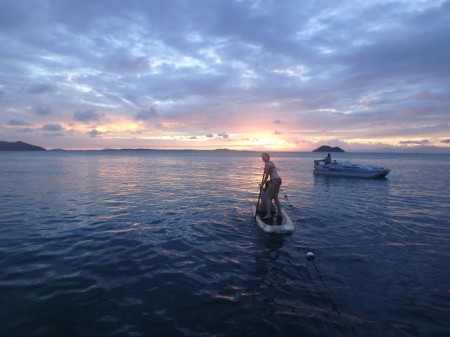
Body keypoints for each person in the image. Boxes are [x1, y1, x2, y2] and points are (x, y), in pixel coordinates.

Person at [261, 152, 283, 219]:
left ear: (268, 157)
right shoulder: (271, 162)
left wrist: (262, 184)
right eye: (262, 157)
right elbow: (271, 170)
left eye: (264, 156)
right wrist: (266, 170)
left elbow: (267, 176)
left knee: (267, 197)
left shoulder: (267, 164)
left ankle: (268, 214)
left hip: (274, 180)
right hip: (279, 180)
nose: (263, 158)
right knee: (275, 197)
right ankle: (280, 213)